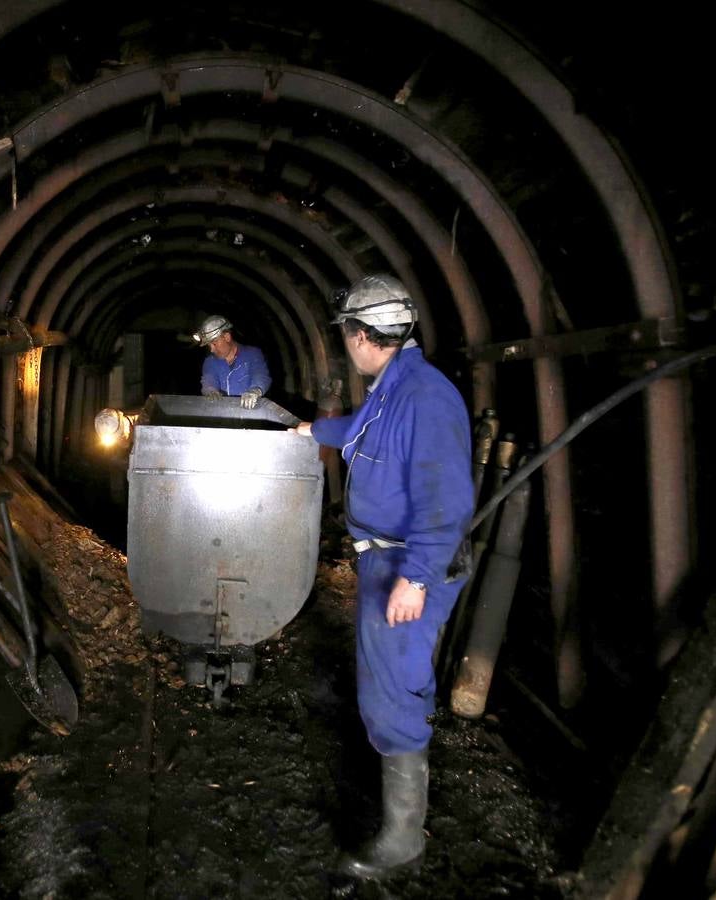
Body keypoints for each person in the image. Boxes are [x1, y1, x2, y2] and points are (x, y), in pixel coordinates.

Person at [291, 274, 473, 879]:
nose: (346, 342)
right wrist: (312, 432)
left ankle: (402, 844)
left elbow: (446, 500)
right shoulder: (393, 387)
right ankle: (399, 828)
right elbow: (361, 433)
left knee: (394, 688)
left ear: (363, 334)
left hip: (407, 564)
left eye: (347, 332)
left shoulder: (426, 396)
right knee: (383, 683)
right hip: (384, 559)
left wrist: (416, 578)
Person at [192, 314, 271, 408]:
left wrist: (255, 390)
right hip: (223, 414)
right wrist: (210, 390)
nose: (211, 350)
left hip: (249, 413)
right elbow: (209, 379)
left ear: (227, 337)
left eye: (214, 344)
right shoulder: (210, 362)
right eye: (209, 346)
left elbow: (260, 374)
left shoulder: (252, 354)